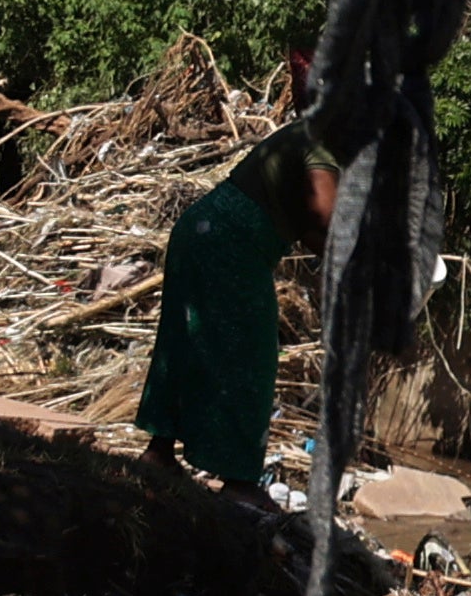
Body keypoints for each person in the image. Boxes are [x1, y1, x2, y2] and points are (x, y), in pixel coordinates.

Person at [133, 120, 335, 500]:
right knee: (252, 356)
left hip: (200, 231)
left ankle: (159, 453)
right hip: (229, 245)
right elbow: (328, 217)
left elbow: (309, 228)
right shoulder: (325, 142)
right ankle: (240, 482)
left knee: (184, 346)